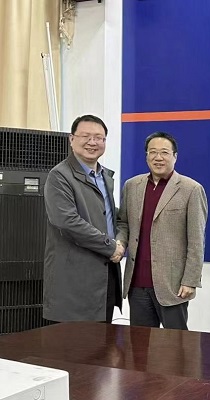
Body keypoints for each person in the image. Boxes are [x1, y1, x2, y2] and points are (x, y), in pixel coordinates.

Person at [116, 131, 207, 330]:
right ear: (146, 156)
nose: (158, 157)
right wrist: (120, 243)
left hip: (172, 285)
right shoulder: (132, 186)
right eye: (153, 152)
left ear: (175, 156)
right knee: (139, 343)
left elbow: (196, 239)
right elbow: (123, 223)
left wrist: (190, 280)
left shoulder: (191, 189)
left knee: (175, 344)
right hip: (137, 283)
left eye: (164, 152)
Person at [43, 114, 124, 323]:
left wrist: (121, 241)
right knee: (75, 342)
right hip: (74, 282)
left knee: (104, 341)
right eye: (85, 136)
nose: (92, 142)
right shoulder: (59, 175)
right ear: (72, 139)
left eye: (99, 137)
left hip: (105, 278)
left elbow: (111, 216)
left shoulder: (104, 176)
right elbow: (67, 221)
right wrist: (110, 247)